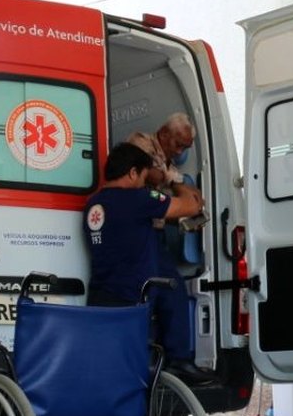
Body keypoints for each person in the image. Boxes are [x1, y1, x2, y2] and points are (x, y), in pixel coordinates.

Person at [83, 142, 205, 383]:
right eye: (144, 178)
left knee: (111, 374)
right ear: (132, 173)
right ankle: (179, 363)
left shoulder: (93, 205)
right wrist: (173, 179)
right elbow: (192, 204)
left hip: (102, 297)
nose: (146, 184)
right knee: (135, 376)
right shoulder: (139, 198)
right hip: (134, 299)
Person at [127, 114, 211, 383]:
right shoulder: (141, 142)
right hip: (136, 231)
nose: (181, 151)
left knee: (171, 290)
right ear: (163, 134)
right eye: (179, 144)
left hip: (156, 235)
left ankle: (177, 360)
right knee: (146, 295)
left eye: (186, 147)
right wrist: (175, 182)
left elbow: (191, 196)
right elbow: (149, 176)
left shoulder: (169, 162)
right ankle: (146, 361)